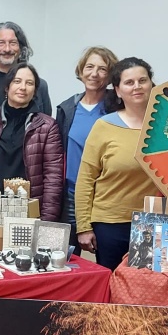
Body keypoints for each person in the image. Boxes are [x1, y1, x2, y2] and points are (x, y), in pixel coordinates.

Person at [74, 57, 160, 270]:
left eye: (142, 80)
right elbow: (85, 179)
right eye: (129, 82)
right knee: (112, 282)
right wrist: (83, 227)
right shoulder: (104, 126)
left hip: (150, 222)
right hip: (109, 223)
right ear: (118, 90)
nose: (137, 86)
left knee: (142, 283)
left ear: (151, 85)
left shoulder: (166, 127)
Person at [0, 62, 63, 221]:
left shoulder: (47, 127)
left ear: (35, 90)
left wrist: (47, 221)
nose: (23, 87)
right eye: (17, 81)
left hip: (29, 212)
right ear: (7, 87)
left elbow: (53, 178)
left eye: (29, 83)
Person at [55, 46, 119, 248]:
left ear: (110, 75)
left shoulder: (118, 108)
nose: (94, 74)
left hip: (106, 196)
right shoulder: (67, 108)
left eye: (102, 69)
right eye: (89, 67)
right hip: (71, 195)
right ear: (81, 70)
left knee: (106, 257)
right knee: (67, 256)